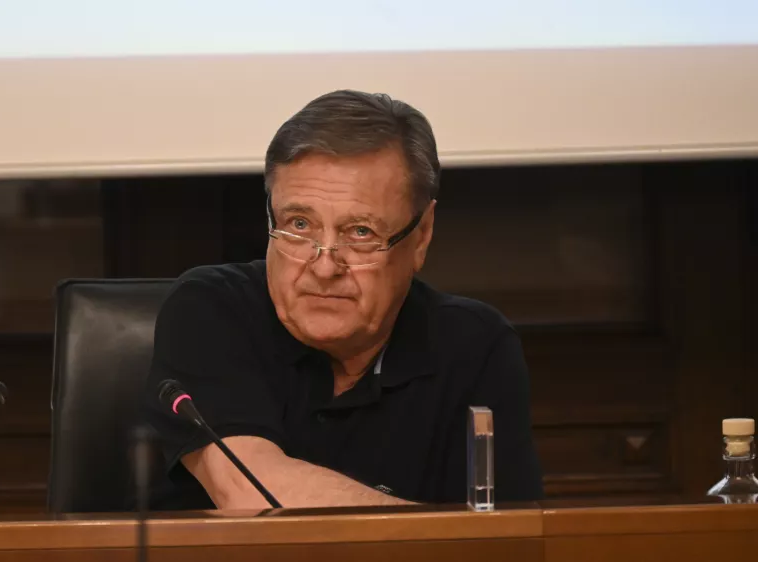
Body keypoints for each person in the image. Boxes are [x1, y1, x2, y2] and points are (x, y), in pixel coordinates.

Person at [144, 89, 542, 510]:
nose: (323, 267)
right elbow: (251, 490)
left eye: (360, 232)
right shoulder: (212, 310)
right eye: (299, 224)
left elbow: (511, 532)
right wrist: (442, 535)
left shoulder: (475, 346)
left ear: (422, 235)